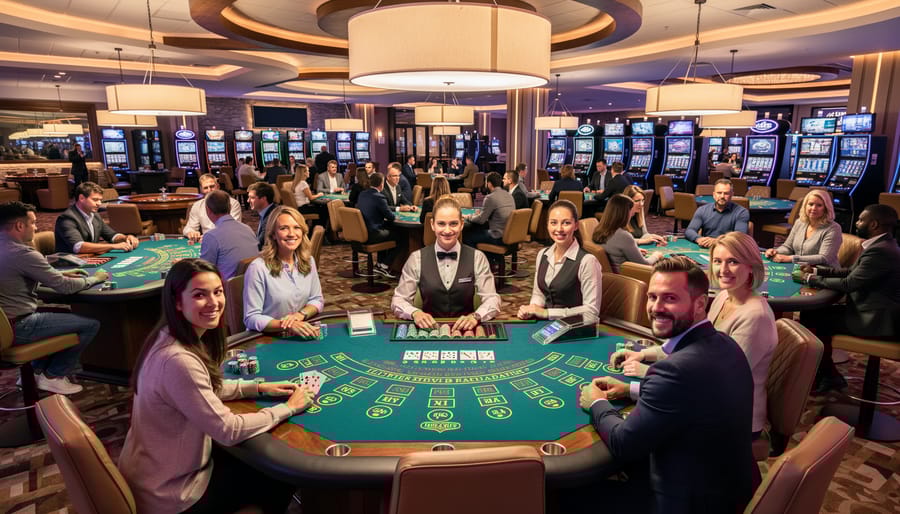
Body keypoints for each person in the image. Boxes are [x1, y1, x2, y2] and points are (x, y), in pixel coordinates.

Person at [119, 258, 314, 514]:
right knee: (281, 474)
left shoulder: (165, 336)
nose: (214, 303)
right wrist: (288, 408)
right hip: (175, 493)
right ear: (177, 301)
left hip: (153, 472)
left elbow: (196, 391)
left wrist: (257, 387)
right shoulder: (178, 360)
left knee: (250, 460)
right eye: (200, 295)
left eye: (218, 292)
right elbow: (228, 430)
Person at [581, 256, 754, 513]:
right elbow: (689, 401)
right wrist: (629, 390)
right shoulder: (726, 344)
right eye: (652, 297)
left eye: (670, 298)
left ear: (699, 304)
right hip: (729, 489)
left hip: (685, 502)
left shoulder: (674, 370)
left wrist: (596, 403)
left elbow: (624, 444)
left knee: (565, 498)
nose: (656, 307)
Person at [617, 232, 776, 439]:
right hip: (705, 400)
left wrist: (640, 379)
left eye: (733, 262)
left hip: (732, 418)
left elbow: (716, 382)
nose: (723, 269)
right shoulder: (723, 297)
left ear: (751, 266)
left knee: (647, 437)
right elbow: (697, 351)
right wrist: (645, 354)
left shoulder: (756, 316)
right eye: (717, 261)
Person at [0, 201, 107, 394]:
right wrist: (95, 278)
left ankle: (35, 372)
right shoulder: (24, 253)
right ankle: (53, 376)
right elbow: (65, 288)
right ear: (19, 225)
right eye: (33, 223)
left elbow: (15, 278)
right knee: (90, 325)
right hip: (18, 327)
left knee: (60, 315)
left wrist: (58, 274)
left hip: (5, 326)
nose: (36, 227)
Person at [797, 204, 900, 393]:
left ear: (874, 224)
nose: (857, 223)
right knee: (812, 313)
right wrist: (817, 270)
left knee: (813, 319)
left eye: (861, 220)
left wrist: (811, 279)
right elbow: (850, 272)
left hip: (876, 321)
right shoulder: (883, 244)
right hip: (871, 311)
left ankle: (828, 375)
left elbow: (848, 284)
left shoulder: (881, 251)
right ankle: (826, 372)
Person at [392, 196, 500, 330]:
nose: (447, 230)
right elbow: (398, 300)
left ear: (461, 224)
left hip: (466, 332)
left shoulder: (477, 258)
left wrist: (476, 316)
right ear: (432, 224)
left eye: (453, 223)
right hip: (429, 332)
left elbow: (492, 299)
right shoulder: (416, 258)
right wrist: (415, 313)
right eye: (441, 224)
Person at [243, 207, 324, 337]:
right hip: (267, 338)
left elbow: (317, 300)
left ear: (303, 232)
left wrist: (299, 316)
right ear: (273, 234)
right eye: (284, 228)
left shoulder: (309, 261)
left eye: (296, 227)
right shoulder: (258, 268)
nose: (291, 233)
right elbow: (251, 318)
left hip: (301, 333)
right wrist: (287, 325)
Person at [517, 200, 602, 321]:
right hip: (545, 325)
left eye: (566, 223)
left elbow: (591, 311)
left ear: (576, 225)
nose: (559, 229)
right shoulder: (542, 254)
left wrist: (547, 313)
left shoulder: (588, 261)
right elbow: (539, 293)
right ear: (547, 225)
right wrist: (532, 308)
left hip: (575, 330)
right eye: (553, 223)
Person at [55, 181, 140, 254]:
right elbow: (78, 247)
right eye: (95, 200)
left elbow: (111, 235)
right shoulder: (67, 218)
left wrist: (125, 237)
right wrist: (113, 246)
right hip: (69, 265)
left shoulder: (94, 215)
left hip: (89, 259)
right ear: (81, 198)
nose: (99, 203)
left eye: (100, 200)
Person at [765, 189, 842, 267]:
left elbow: (824, 258)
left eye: (819, 205)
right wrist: (775, 251)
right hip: (801, 269)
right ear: (805, 205)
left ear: (826, 208)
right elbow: (788, 247)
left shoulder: (833, 228)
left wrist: (791, 258)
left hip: (824, 273)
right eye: (811, 204)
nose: (814, 208)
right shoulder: (800, 222)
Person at [592, 195, 664, 273]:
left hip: (609, 275)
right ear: (624, 214)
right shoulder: (624, 235)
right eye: (631, 212)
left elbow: (615, 249)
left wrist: (634, 251)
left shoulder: (599, 229)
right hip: (627, 277)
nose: (632, 215)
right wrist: (656, 256)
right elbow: (644, 264)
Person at [199, 190, 259, 280]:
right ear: (230, 207)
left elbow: (203, 272)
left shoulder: (211, 236)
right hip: (254, 283)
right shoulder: (248, 228)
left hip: (228, 290)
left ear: (208, 210)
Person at [356, 172, 398, 278]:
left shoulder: (362, 194)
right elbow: (390, 217)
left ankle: (379, 263)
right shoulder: (379, 197)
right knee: (401, 236)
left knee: (386, 231)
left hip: (361, 232)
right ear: (381, 184)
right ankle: (385, 265)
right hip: (372, 234)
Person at [684, 179, 749, 248]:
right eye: (719, 193)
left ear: (732, 194)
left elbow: (739, 237)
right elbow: (689, 231)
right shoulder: (702, 210)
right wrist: (698, 239)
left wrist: (717, 241)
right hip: (706, 246)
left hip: (728, 249)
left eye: (726, 193)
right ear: (714, 194)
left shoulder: (741, 212)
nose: (722, 196)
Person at [183, 173, 243, 242]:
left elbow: (233, 229)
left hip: (227, 241)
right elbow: (188, 228)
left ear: (218, 186)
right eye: (205, 188)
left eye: (212, 186)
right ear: (201, 190)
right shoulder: (197, 205)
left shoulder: (233, 204)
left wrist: (209, 237)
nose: (209, 190)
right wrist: (191, 232)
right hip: (206, 241)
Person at [463, 172, 514, 249]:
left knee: (467, 237)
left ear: (489, 184)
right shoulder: (509, 195)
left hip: (498, 237)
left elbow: (481, 220)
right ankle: (491, 258)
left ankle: (475, 260)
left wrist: (468, 217)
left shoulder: (490, 197)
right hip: (509, 235)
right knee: (479, 229)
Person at [248, 182, 276, 251]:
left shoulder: (272, 216)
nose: (248, 201)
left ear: (263, 199)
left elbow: (261, 244)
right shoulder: (266, 212)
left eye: (252, 198)